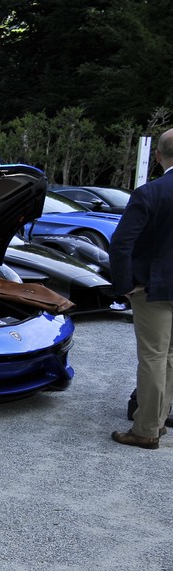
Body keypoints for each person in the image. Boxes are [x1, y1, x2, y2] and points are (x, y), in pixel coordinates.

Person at [109, 128, 173, 449]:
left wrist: (125, 285)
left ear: (158, 157)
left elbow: (121, 244)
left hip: (153, 288)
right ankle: (157, 421)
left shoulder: (149, 193)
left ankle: (146, 429)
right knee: (170, 357)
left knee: (153, 357)